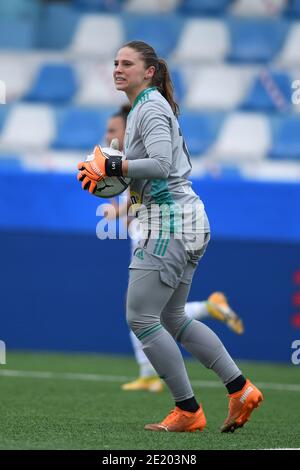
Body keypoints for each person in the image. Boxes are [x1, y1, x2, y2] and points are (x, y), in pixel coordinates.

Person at [77, 40, 263, 433]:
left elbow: (160, 164)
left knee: (140, 318)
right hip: (186, 220)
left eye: (126, 63)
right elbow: (152, 167)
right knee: (172, 318)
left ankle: (188, 410)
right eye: (115, 63)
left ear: (149, 71)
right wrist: (119, 171)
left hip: (170, 223)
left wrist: (116, 164)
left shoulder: (149, 106)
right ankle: (239, 388)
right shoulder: (146, 107)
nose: (117, 68)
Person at [105, 105, 244, 393]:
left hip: (156, 230)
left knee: (141, 312)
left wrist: (116, 201)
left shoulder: (141, 146)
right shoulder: (138, 149)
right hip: (165, 226)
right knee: (162, 312)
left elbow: (151, 186)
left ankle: (172, 389)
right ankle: (229, 383)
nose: (108, 136)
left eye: (112, 129)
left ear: (128, 128)